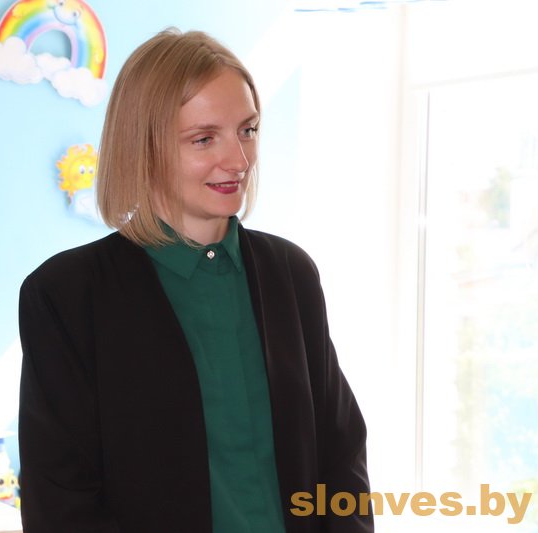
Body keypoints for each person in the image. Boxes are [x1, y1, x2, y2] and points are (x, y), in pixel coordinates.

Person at [18, 28, 372, 533]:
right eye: (204, 139)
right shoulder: (65, 294)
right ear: (143, 147)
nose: (239, 160)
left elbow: (341, 452)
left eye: (247, 130)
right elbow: (62, 501)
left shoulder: (291, 273)